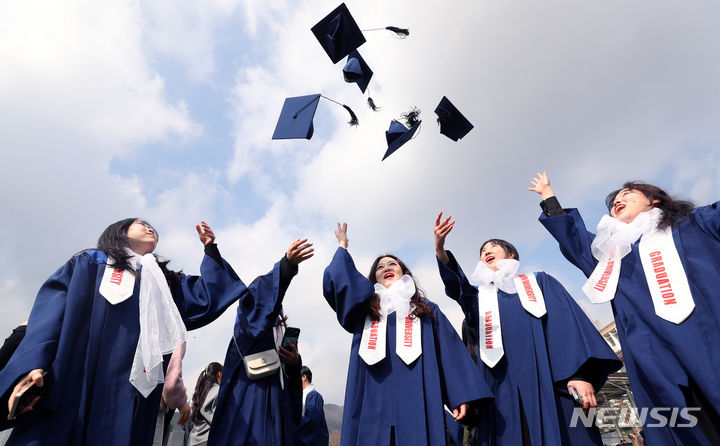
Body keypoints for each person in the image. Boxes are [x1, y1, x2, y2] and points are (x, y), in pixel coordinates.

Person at [0, 219, 248, 446]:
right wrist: (34, 363)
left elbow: (207, 297)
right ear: (119, 231)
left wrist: (210, 248)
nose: (151, 229)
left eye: (154, 229)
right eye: (141, 224)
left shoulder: (164, 283)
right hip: (76, 377)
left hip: (134, 391)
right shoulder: (89, 263)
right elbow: (50, 313)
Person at [530, 172, 720, 445]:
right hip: (656, 360)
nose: (618, 201)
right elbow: (575, 239)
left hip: (709, 337)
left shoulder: (693, 224)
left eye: (627, 195)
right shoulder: (612, 258)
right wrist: (549, 196)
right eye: (613, 202)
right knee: (692, 430)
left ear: (654, 199)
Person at [434, 213, 621, 445]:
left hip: (548, 380)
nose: (486, 251)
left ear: (511, 254)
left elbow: (567, 328)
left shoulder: (539, 283)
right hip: (498, 388)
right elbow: (457, 285)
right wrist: (441, 251)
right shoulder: (477, 297)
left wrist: (580, 375)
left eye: (493, 246)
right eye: (482, 251)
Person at [322, 223, 493, 446]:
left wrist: (459, 395)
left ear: (404, 272)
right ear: (373, 279)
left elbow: (449, 352)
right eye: (380, 267)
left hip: (417, 404)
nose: (386, 268)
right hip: (371, 404)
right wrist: (342, 247)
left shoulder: (426, 311)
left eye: (392, 263)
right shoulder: (363, 313)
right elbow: (339, 283)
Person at [209, 238, 314, 446]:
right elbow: (261, 300)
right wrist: (286, 267)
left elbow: (291, 386)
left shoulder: (278, 334)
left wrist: (294, 363)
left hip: (278, 408)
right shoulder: (247, 328)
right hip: (251, 404)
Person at [187, 362, 222, 446]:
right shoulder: (218, 391)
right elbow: (218, 420)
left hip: (192, 440)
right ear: (220, 374)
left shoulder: (200, 391)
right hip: (206, 440)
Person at [294, 366, 329, 446]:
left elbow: (311, 421)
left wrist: (292, 430)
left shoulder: (314, 396)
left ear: (304, 377)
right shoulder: (303, 396)